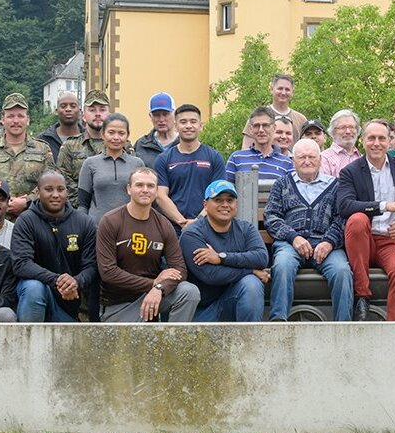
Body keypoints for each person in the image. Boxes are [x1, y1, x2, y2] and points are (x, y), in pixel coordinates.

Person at [264, 138, 353, 321]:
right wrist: (293, 237)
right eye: (301, 157)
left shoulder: (336, 185)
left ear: (320, 159)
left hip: (326, 246)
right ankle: (278, 323)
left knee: (342, 271)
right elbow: (271, 216)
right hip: (290, 244)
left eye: (311, 157)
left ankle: (343, 327)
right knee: (282, 265)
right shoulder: (282, 184)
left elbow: (342, 218)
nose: (307, 161)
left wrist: (329, 242)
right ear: (293, 160)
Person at [95, 167, 199, 322]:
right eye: (139, 185)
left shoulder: (163, 224)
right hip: (119, 304)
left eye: (150, 186)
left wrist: (160, 288)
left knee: (189, 292)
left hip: (153, 296)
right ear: (129, 189)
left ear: (156, 191)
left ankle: (173, 337)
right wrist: (153, 284)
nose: (145, 190)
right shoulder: (111, 221)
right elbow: (108, 272)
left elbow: (180, 269)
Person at [338, 119, 395, 320]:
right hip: (362, 240)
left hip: (390, 240)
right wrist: (384, 205)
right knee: (357, 220)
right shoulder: (350, 171)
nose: (376, 143)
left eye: (382, 138)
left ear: (390, 141)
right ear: (362, 141)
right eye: (371, 138)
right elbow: (344, 206)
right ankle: (362, 296)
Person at [12, 170, 97, 323]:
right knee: (33, 288)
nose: (56, 195)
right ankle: (31, 337)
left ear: (67, 192)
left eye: (60, 189)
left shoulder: (84, 222)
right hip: (38, 295)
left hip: (72, 299)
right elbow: (21, 263)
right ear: (38, 192)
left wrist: (76, 282)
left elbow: (91, 266)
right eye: (49, 189)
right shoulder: (25, 221)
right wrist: (57, 280)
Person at [180, 180, 269, 322]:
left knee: (251, 284)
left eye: (230, 200)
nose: (225, 205)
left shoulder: (246, 228)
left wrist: (221, 258)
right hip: (202, 312)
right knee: (251, 278)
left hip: (231, 301)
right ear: (205, 205)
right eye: (218, 200)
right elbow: (211, 274)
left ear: (236, 204)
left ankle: (250, 336)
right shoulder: (192, 234)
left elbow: (261, 258)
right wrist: (251, 271)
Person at [0, 93, 58, 217]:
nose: (16, 121)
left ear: (28, 119)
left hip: (34, 217)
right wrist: (3, 203)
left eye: (20, 116)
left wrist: (27, 201)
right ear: (3, 119)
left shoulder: (43, 149)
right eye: (11, 116)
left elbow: (50, 183)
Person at [153, 103, 225, 230]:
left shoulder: (214, 157)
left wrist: (198, 221)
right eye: (183, 122)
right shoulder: (163, 159)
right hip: (173, 228)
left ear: (200, 126)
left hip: (208, 226)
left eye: (193, 121)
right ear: (176, 126)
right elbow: (160, 196)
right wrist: (182, 222)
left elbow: (218, 193)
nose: (188, 126)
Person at [59, 89, 125, 203]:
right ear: (83, 115)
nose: (98, 114)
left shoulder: (123, 145)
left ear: (110, 114)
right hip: (79, 208)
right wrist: (85, 205)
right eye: (92, 110)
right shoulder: (70, 146)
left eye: (102, 109)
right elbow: (63, 180)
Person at [79, 112, 146, 221]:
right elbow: (83, 204)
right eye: (111, 132)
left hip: (130, 225)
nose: (116, 137)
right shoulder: (90, 163)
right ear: (103, 134)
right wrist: (84, 226)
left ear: (127, 135)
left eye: (121, 133)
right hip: (97, 226)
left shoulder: (137, 164)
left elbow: (143, 199)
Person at [224, 107, 293, 185]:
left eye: (265, 125)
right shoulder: (236, 158)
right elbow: (227, 190)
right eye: (256, 125)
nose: (261, 130)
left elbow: (291, 191)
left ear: (274, 128)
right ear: (250, 129)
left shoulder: (287, 163)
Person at [243, 73, 305, 148]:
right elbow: (246, 148)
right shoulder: (258, 116)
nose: (283, 93)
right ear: (271, 89)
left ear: (293, 92)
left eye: (287, 89)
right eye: (280, 88)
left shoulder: (301, 119)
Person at [133, 93, 178, 168]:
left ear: (175, 115)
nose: (161, 119)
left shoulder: (185, 142)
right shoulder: (142, 145)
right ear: (150, 116)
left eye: (165, 114)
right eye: (156, 115)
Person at [38, 91, 83, 162]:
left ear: (80, 111)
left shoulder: (88, 138)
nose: (68, 109)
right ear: (56, 111)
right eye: (63, 106)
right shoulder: (43, 140)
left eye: (73, 106)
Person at [320, 109, 362, 177]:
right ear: (333, 132)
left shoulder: (362, 158)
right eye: (342, 127)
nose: (348, 131)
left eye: (351, 127)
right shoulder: (323, 159)